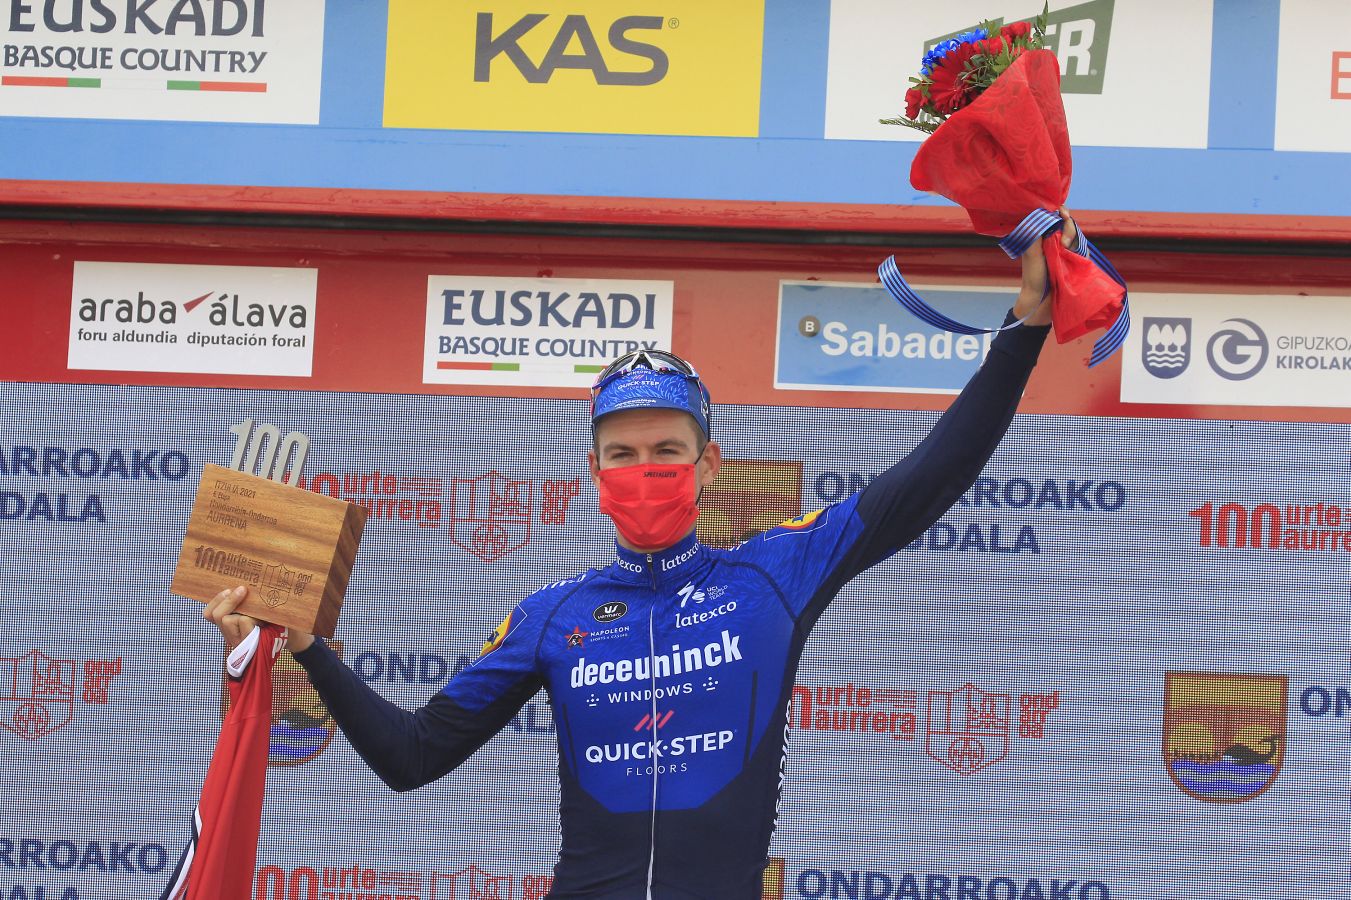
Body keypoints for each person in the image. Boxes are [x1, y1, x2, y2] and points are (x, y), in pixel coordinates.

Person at [206, 215, 1081, 899]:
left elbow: (929, 478)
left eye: (666, 449)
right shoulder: (553, 614)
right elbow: (413, 756)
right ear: (593, 471)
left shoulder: (774, 574)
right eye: (621, 454)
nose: (644, 470)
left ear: (708, 462)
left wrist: (1023, 329)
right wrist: (309, 645)